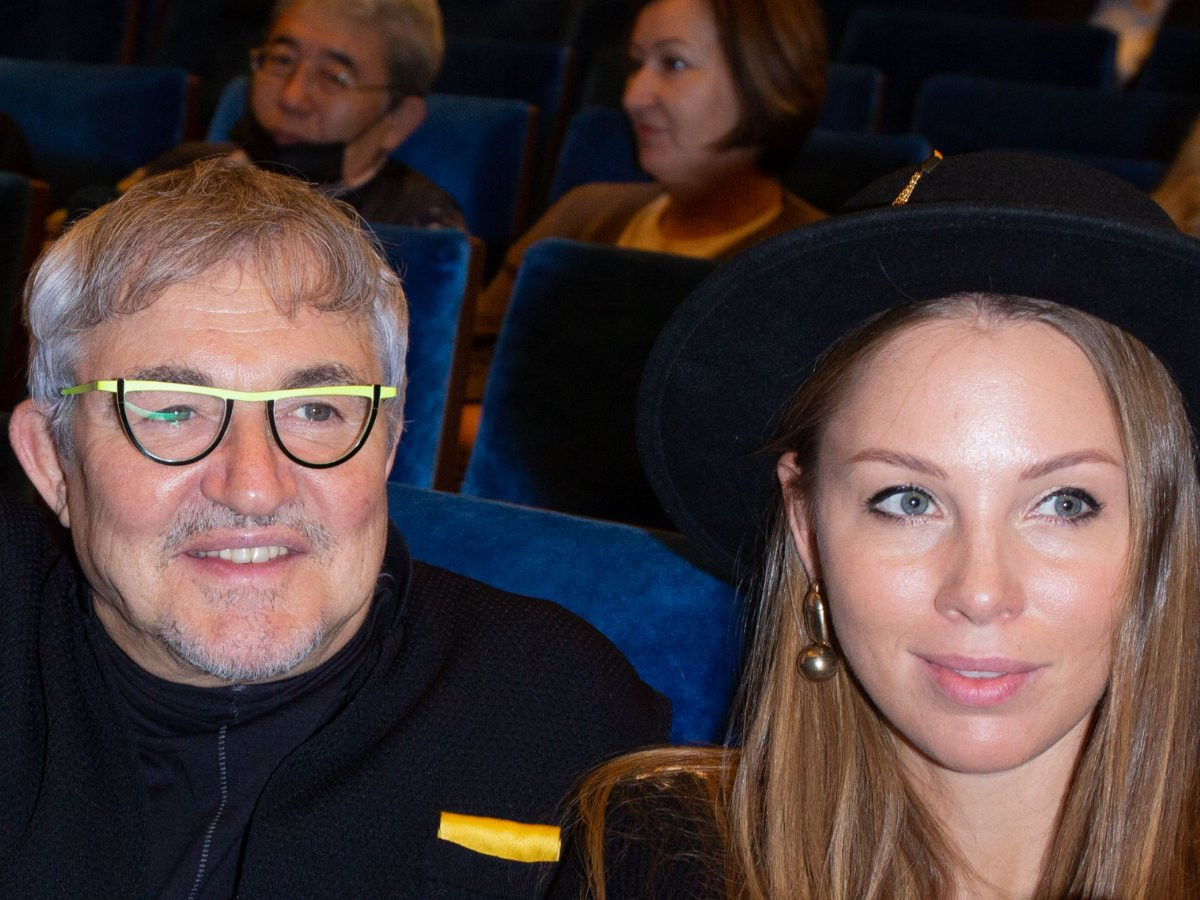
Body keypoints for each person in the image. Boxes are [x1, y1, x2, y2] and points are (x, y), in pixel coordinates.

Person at [0, 159, 668, 898]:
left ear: (388, 442)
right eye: (171, 410)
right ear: (52, 460)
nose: (254, 487)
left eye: (315, 411)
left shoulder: (561, 717)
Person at [549, 151, 1200, 898]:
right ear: (806, 525)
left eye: (1065, 503)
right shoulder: (652, 860)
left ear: (1164, 530)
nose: (981, 593)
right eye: (909, 501)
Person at [474, 0, 827, 336]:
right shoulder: (579, 214)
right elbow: (472, 356)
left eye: (674, 63)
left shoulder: (820, 261)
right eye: (635, 65)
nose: (632, 98)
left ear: (770, 75)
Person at [105, 0, 464, 230]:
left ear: (399, 118)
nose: (292, 98)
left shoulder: (417, 226)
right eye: (281, 60)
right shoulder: (180, 173)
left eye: (333, 77)